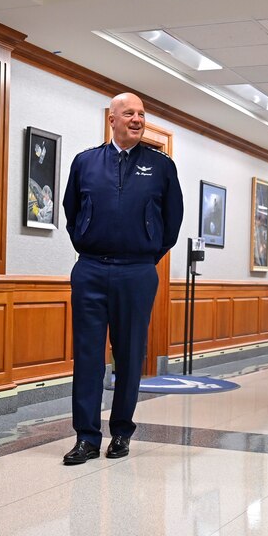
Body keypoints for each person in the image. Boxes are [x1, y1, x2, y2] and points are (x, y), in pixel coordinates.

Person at [60, 92, 184, 465]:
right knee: (87, 356)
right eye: (128, 113)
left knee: (130, 354)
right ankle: (85, 437)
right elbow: (71, 210)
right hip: (91, 269)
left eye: (142, 114)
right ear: (111, 119)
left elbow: (172, 222)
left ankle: (122, 432)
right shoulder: (85, 162)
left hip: (137, 271)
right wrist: (87, 241)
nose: (136, 118)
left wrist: (146, 254)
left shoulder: (161, 166)